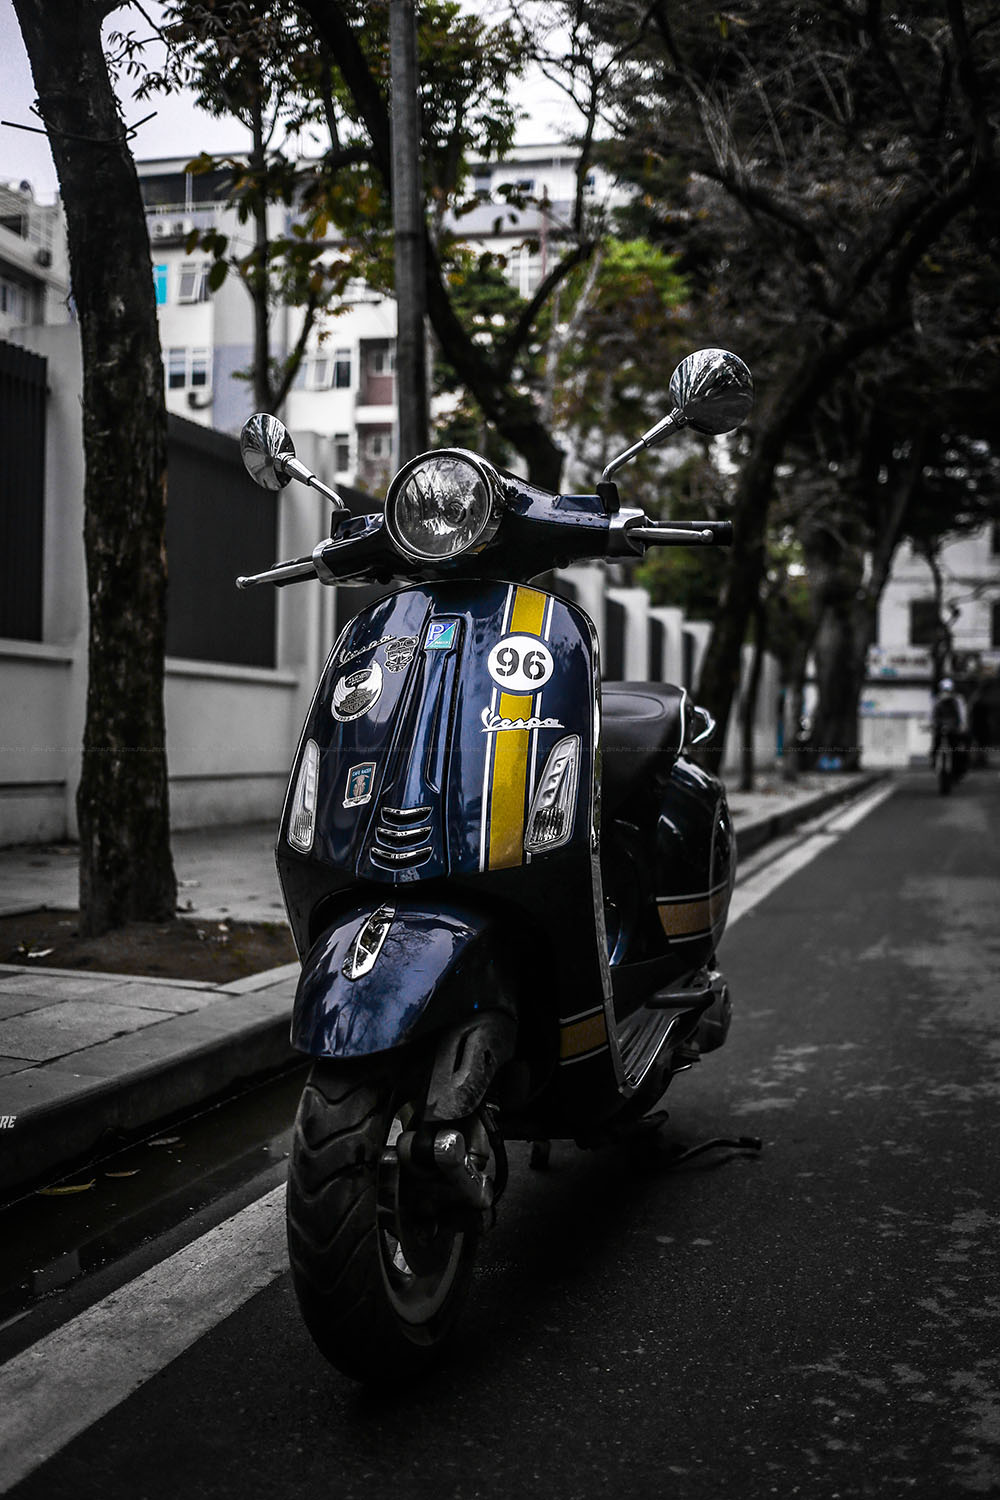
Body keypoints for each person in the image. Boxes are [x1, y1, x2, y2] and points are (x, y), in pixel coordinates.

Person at [931, 677, 970, 779]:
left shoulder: (958, 700)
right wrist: (933, 725)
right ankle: (935, 763)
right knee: (935, 747)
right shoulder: (937, 700)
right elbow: (933, 715)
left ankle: (959, 770)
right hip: (941, 728)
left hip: (954, 729)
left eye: (948, 690)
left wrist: (962, 726)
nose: (946, 692)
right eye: (944, 690)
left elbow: (962, 714)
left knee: (958, 749)